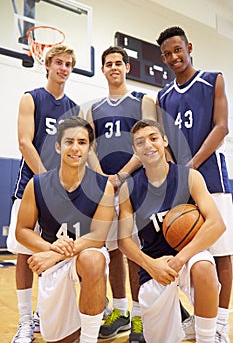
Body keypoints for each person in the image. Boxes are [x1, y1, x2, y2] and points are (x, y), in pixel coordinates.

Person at [156, 26, 233, 343]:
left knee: (222, 254)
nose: (174, 57)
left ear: (188, 47)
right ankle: (202, 317)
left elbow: (221, 127)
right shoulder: (163, 95)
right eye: (167, 54)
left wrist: (190, 166)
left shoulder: (212, 79)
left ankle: (221, 324)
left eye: (178, 50)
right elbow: (166, 142)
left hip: (211, 178)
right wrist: (175, 172)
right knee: (191, 253)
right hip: (182, 183)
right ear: (163, 58)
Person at [118, 119, 226, 343]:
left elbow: (216, 224)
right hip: (154, 266)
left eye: (153, 138)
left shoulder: (189, 177)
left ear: (164, 141)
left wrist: (180, 259)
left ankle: (208, 337)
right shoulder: (130, 187)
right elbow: (124, 241)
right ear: (134, 150)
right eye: (140, 142)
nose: (148, 145)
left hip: (187, 258)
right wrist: (151, 265)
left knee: (204, 264)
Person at [7, 44, 83, 343]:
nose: (63, 68)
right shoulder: (31, 98)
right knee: (25, 253)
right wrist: (46, 181)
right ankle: (25, 321)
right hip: (33, 186)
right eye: (59, 63)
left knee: (56, 253)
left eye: (68, 64)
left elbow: (81, 150)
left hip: (65, 192)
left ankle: (42, 313)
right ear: (48, 65)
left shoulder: (74, 109)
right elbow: (25, 143)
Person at [15, 116, 114, 343]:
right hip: (53, 264)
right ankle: (76, 320)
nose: (75, 148)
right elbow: (22, 230)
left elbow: (98, 237)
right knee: (59, 339)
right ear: (58, 146)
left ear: (90, 148)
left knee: (93, 259)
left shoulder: (103, 186)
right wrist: (49, 247)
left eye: (82, 142)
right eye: (69, 141)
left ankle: (89, 337)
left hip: (82, 255)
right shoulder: (37, 184)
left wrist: (56, 252)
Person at [86, 45, 156, 341]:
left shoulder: (143, 101)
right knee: (113, 250)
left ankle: (141, 317)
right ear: (102, 69)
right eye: (108, 63)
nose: (114, 67)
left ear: (127, 67)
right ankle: (120, 311)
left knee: (136, 252)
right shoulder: (94, 108)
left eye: (119, 62)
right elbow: (89, 146)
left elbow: (148, 143)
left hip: (137, 185)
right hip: (106, 188)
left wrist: (122, 175)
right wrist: (103, 178)